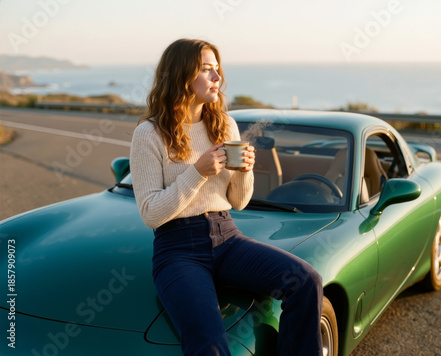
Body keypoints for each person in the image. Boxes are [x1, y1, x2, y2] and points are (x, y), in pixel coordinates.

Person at [130, 38, 323, 356]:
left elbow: (239, 201)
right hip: (178, 250)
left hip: (227, 236)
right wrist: (198, 171)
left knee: (306, 281)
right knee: (210, 345)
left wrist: (246, 170)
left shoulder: (225, 125)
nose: (218, 78)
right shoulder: (149, 134)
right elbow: (151, 213)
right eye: (207, 70)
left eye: (217, 69)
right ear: (181, 75)